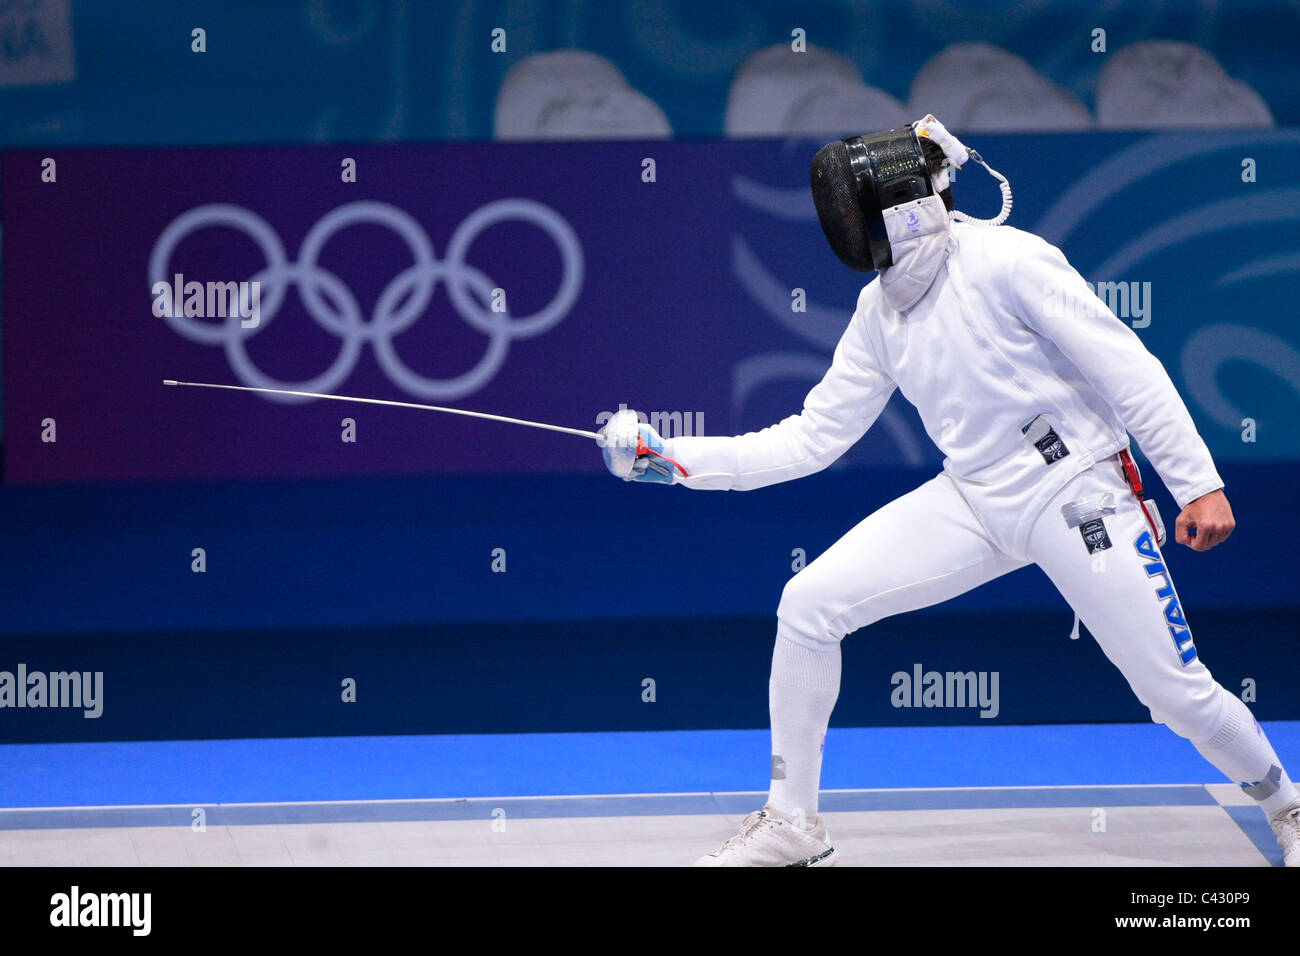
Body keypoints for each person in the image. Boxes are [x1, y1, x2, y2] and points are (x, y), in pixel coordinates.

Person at [597, 115, 1299, 867]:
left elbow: (1126, 366)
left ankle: (1288, 806)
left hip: (1076, 490)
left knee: (1172, 694)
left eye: (852, 207)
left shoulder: (1008, 261)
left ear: (899, 208)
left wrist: (1196, 482)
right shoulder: (880, 313)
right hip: (972, 496)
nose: (842, 223)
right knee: (809, 605)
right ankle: (792, 819)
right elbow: (809, 439)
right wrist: (669, 458)